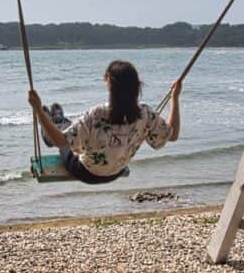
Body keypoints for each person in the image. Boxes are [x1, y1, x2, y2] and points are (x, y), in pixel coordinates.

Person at [27, 60, 181, 184]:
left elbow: (61, 141)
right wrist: (175, 97)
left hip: (85, 172)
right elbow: (172, 135)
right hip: (116, 172)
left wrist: (38, 110)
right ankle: (58, 119)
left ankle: (49, 126)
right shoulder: (145, 113)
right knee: (75, 128)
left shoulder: (97, 114)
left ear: (108, 80)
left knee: (62, 137)